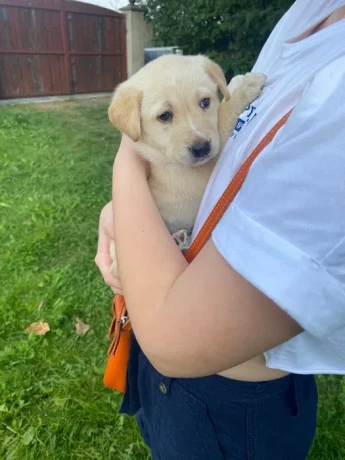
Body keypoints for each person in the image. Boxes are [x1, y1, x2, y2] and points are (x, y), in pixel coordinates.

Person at [95, 1, 345, 458]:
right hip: (164, 357)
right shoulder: (309, 12)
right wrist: (121, 207)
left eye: (205, 103)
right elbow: (240, 144)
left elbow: (223, 149)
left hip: (232, 395)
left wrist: (126, 174)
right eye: (166, 117)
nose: (198, 134)